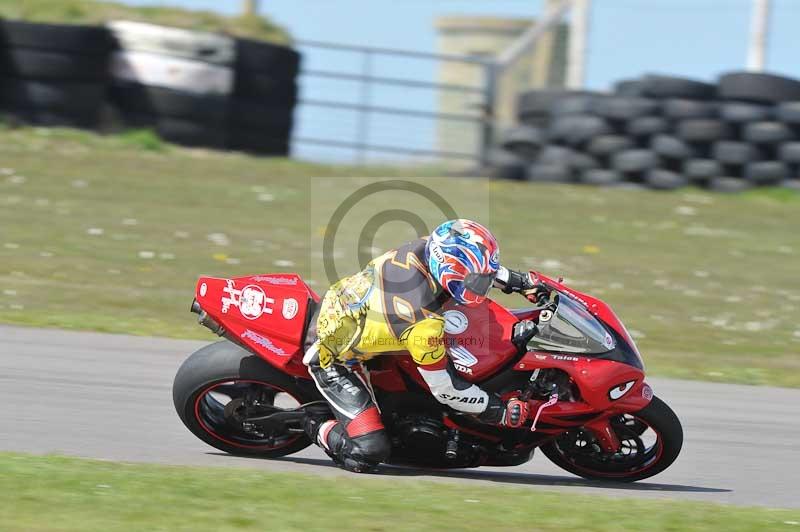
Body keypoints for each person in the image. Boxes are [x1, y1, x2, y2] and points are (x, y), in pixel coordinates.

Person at [303, 219, 540, 472]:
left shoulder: (427, 247)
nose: (481, 288)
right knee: (369, 451)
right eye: (476, 282)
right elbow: (446, 389)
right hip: (334, 355)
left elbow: (469, 264)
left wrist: (519, 280)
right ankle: (313, 422)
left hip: (355, 311)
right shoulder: (422, 324)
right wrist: (497, 410)